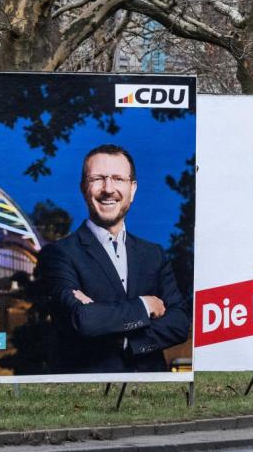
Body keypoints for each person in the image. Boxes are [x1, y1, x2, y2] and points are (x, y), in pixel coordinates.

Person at [35, 144, 190, 373]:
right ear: (83, 188)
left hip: (154, 394)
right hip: (90, 397)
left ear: (132, 189)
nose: (108, 189)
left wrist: (128, 341)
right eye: (97, 178)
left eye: (118, 178)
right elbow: (84, 320)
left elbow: (179, 323)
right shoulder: (58, 254)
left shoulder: (153, 254)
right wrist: (145, 305)